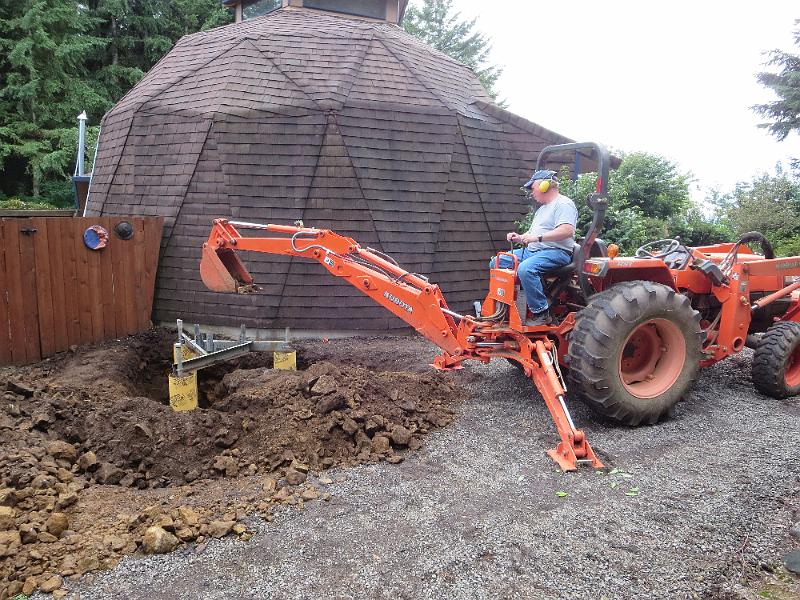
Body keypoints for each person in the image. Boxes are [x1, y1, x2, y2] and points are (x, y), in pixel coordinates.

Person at [491, 169, 578, 326]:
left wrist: (537, 238)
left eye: (533, 187)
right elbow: (534, 233)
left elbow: (567, 230)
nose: (532, 192)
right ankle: (509, 306)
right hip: (534, 251)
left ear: (545, 185)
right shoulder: (543, 209)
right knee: (497, 262)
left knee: (526, 269)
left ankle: (541, 312)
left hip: (556, 252)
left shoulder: (564, 204)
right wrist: (520, 237)